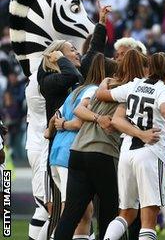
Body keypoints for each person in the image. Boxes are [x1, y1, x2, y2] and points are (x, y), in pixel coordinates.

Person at [98, 53, 165, 240]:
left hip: (127, 151)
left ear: (149, 69)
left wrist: (105, 81)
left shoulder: (134, 85)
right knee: (149, 218)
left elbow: (102, 95)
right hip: (150, 152)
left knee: (126, 213)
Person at [54, 49, 145, 239]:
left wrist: (96, 117)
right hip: (104, 153)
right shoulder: (132, 92)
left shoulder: (105, 84)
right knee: (110, 213)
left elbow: (79, 109)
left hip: (78, 151)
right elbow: (119, 122)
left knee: (70, 213)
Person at [47, 54, 116, 240]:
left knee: (80, 212)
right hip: (72, 152)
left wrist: (58, 127)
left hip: (56, 153)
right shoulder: (92, 90)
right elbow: (79, 121)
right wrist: (71, 124)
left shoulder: (76, 90)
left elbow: (55, 118)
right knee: (72, 212)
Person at [37, 39, 84, 239]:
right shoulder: (50, 80)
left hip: (69, 148)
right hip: (55, 151)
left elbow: (87, 62)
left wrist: (100, 25)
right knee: (57, 212)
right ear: (57, 57)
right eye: (72, 50)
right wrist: (61, 59)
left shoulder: (71, 79)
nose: (77, 53)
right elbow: (73, 74)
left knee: (71, 211)